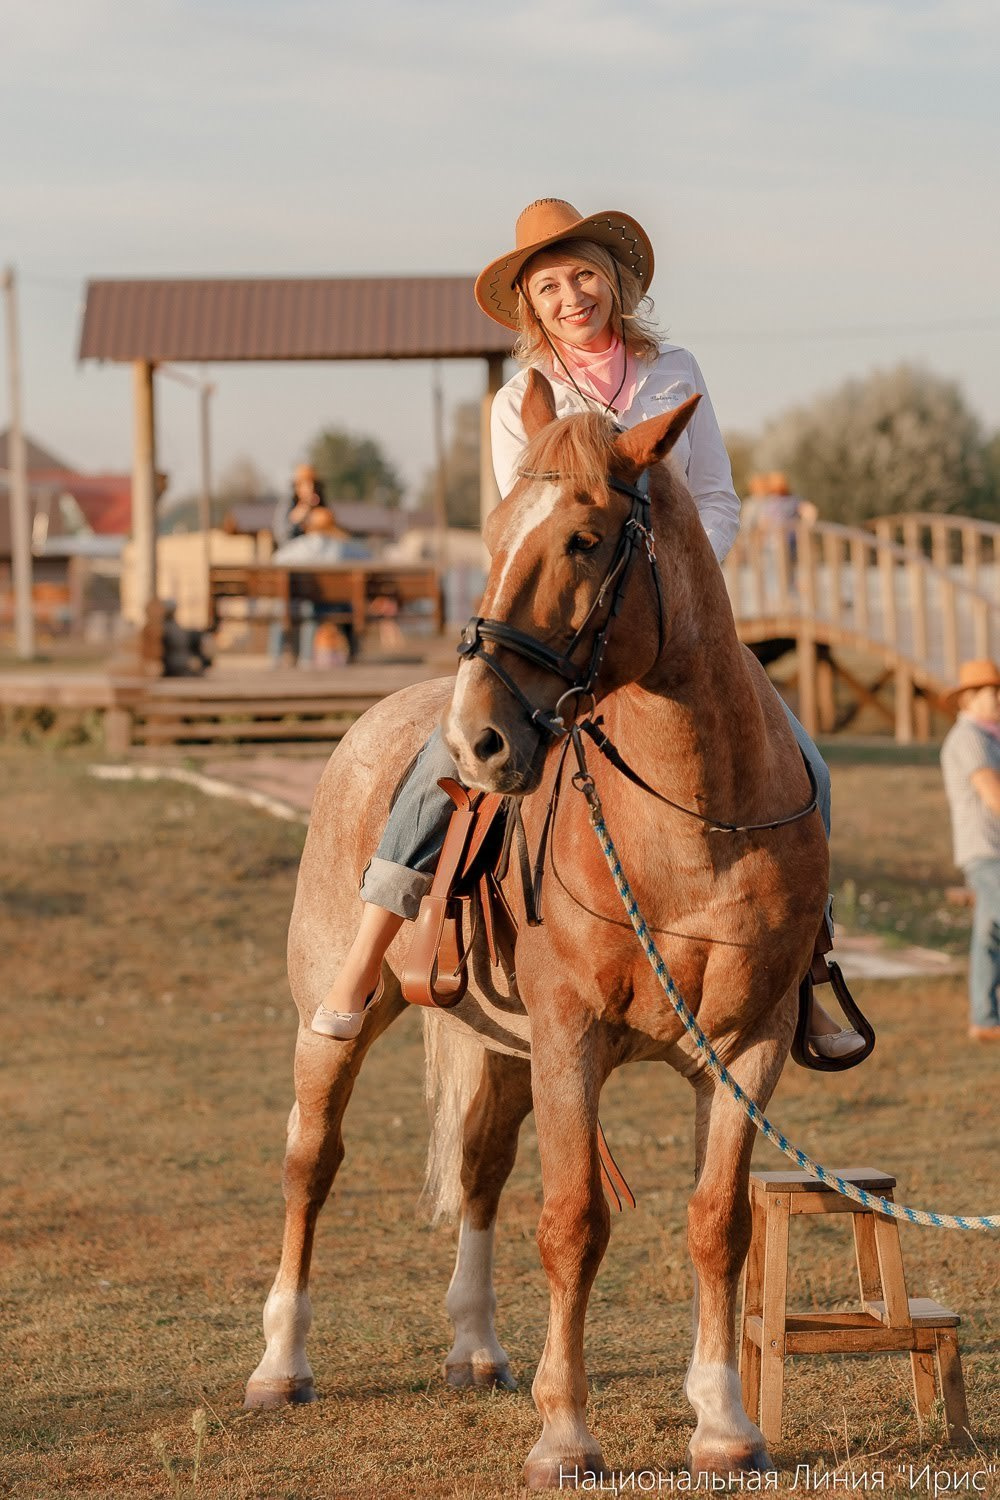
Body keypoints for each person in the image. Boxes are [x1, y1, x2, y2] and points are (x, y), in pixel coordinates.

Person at [311, 198, 863, 1062]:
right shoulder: (518, 402)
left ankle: (803, 972)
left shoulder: (674, 370)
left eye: (584, 276)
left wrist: (683, 586)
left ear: (613, 282)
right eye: (550, 285)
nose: (573, 295)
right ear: (530, 306)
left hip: (676, 621)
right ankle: (369, 948)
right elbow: (526, 526)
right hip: (566, 626)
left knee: (808, 768)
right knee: (446, 759)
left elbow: (715, 494)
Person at [940, 659, 1000, 1041]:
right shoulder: (969, 739)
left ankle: (985, 1016)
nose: (995, 699)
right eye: (987, 693)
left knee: (991, 927)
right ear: (966, 701)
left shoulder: (992, 735)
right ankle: (984, 1016)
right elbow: (993, 794)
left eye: (997, 692)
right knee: (992, 927)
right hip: (984, 849)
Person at [268, 507, 369, 666]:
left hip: (305, 603)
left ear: (309, 525)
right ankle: (354, 654)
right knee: (347, 607)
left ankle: (279, 658)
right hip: (335, 605)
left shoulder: (300, 546)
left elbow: (276, 560)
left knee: (286, 608)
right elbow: (368, 558)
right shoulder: (343, 547)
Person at [272, 463, 330, 545]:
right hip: (295, 549)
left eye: (314, 484)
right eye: (307, 484)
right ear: (297, 486)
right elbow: (282, 535)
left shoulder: (320, 503)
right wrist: (297, 520)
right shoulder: (289, 503)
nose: (312, 488)